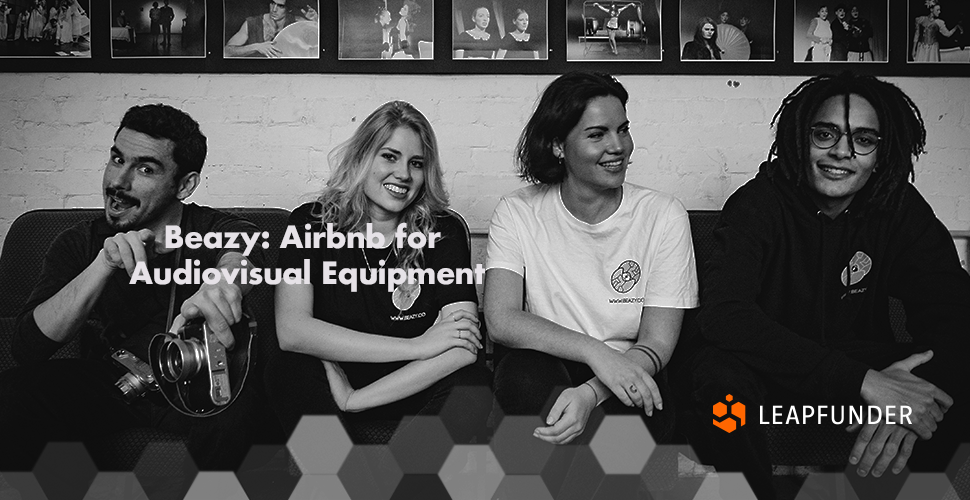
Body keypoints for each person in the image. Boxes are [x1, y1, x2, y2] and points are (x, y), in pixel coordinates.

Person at [677, 72, 970, 500]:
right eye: (825, 133)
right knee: (719, 386)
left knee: (951, 379)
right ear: (800, 137)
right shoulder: (757, 203)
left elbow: (955, 313)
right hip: (766, 365)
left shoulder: (898, 208)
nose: (842, 152)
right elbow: (725, 315)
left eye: (864, 139)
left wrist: (904, 397)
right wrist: (863, 382)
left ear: (883, 152)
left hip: (855, 355)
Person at [0, 104, 264, 471]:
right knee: (13, 392)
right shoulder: (78, 242)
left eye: (145, 169)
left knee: (241, 412)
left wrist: (227, 279)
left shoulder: (212, 228)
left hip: (196, 381)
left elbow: (246, 247)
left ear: (184, 185)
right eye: (116, 159)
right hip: (113, 379)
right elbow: (28, 348)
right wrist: (103, 265)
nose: (118, 183)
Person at [485, 72, 698, 449]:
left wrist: (593, 390)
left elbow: (657, 343)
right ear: (557, 146)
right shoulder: (517, 212)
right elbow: (501, 321)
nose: (618, 146)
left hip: (631, 367)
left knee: (638, 412)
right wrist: (596, 353)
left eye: (623, 129)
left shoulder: (664, 215)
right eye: (597, 134)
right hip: (546, 366)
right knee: (523, 377)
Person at [267, 101, 492, 444]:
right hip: (334, 380)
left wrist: (357, 399)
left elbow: (462, 348)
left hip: (415, 383)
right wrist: (418, 345)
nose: (404, 174)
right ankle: (340, 483)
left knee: (472, 385)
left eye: (416, 163)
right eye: (389, 156)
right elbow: (293, 330)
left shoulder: (442, 230)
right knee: (287, 370)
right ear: (361, 158)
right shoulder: (311, 223)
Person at [224, 0, 318, 58]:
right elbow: (226, 52)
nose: (274, 9)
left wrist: (315, 22)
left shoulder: (296, 22)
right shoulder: (252, 23)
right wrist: (256, 47)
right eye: (273, 3)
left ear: (289, 9)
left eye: (280, 6)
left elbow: (315, 47)